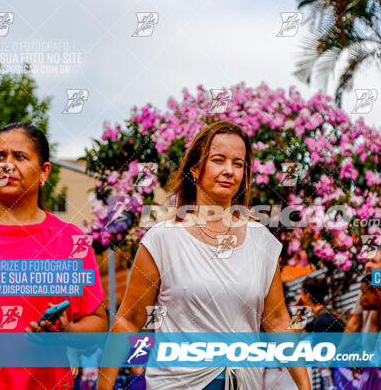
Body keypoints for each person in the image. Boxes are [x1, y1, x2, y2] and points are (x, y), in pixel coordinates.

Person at [97, 121, 311, 390]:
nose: (228, 171)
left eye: (238, 164)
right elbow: (129, 318)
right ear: (195, 169)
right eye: (218, 160)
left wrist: (305, 386)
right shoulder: (163, 239)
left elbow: (278, 320)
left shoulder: (262, 242)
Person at [0, 122, 107, 389]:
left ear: (44, 172)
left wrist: (67, 332)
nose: (7, 165)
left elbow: (97, 324)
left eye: (20, 157)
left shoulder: (70, 239)